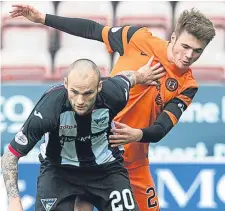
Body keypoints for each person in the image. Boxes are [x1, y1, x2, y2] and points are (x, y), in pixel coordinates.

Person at [9, 4, 216, 211]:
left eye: (197, 51)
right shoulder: (138, 38)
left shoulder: (187, 86)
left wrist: (137, 134)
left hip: (133, 160)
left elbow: (161, 128)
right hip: (94, 151)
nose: (189, 55)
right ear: (173, 38)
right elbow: (93, 30)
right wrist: (44, 18)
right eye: (185, 46)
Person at [1, 58, 165, 211]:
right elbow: (10, 156)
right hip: (59, 172)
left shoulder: (114, 95)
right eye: (74, 92)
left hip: (105, 170)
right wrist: (14, 202)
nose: (80, 101)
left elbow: (127, 78)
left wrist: (141, 75)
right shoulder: (48, 110)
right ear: (65, 84)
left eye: (87, 93)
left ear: (99, 87)